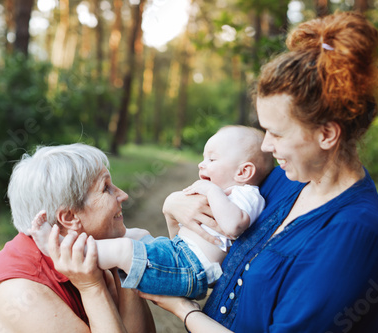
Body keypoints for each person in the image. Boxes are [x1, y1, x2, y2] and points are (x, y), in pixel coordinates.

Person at [138, 11, 378, 333]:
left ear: (327, 134)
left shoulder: (357, 232)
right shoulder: (278, 183)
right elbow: (206, 244)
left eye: (277, 133)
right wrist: (173, 204)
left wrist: (185, 312)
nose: (266, 147)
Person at [30, 125, 274, 300]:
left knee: (123, 250)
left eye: (212, 159)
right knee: (135, 235)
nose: (202, 164)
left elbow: (233, 227)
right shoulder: (229, 193)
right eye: (203, 158)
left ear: (243, 172)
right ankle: (85, 246)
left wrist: (211, 190)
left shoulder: (247, 196)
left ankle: (64, 251)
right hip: (181, 255)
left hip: (191, 270)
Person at [0, 143, 155, 333]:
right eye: (106, 188)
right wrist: (91, 288)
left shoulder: (86, 253)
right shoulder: (22, 294)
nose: (123, 195)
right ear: (69, 217)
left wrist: (126, 260)